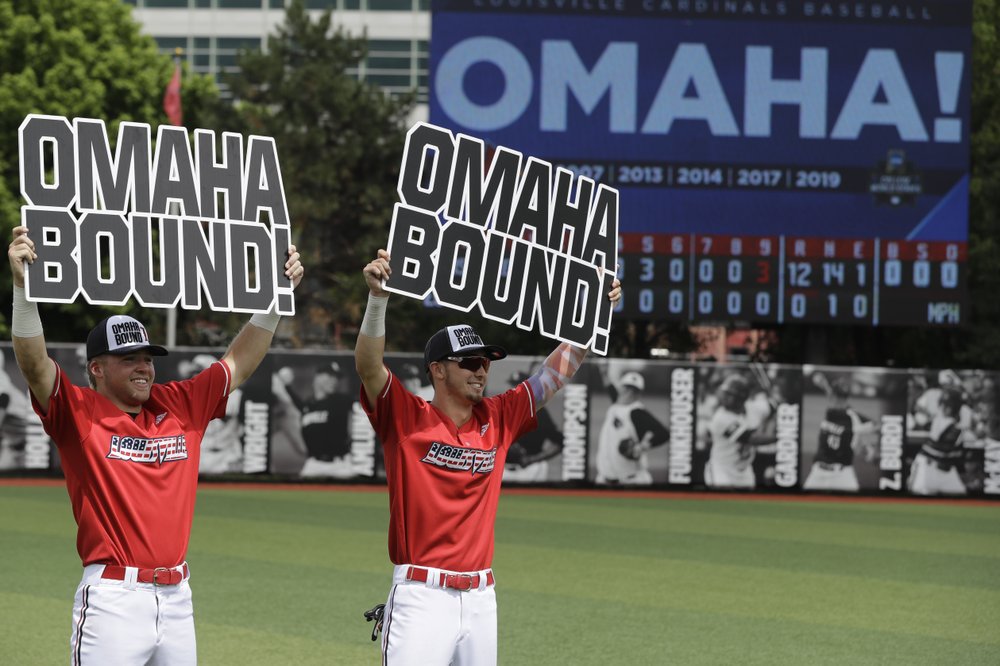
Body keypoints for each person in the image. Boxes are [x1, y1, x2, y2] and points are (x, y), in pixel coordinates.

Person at [7, 225, 303, 665]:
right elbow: (33, 364)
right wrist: (22, 288)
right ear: (97, 370)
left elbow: (238, 363)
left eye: (147, 357)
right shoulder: (79, 413)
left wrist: (277, 297)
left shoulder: (180, 404)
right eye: (129, 360)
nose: (144, 367)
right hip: (113, 599)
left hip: (178, 597)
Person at [355, 248, 619, 665]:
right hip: (423, 596)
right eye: (471, 362)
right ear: (438, 370)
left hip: (481, 598)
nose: (482, 370)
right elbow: (369, 367)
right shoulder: (406, 418)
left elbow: (553, 375)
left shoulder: (499, 416)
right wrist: (377, 299)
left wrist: (593, 317)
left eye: (487, 362)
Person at [273, 360, 355, 478]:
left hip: (340, 465)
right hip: (314, 464)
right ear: (318, 377)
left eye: (336, 378)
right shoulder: (309, 405)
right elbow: (299, 404)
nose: (334, 381)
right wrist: (286, 386)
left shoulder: (341, 401)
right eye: (330, 376)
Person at [802, 373, 877, 492]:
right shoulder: (831, 412)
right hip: (818, 472)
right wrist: (823, 384)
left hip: (842, 474)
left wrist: (857, 431)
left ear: (844, 398)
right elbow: (828, 392)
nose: (835, 398)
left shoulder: (852, 416)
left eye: (839, 396)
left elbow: (876, 425)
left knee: (856, 508)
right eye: (835, 395)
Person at [595, 370, 670, 485]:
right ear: (621, 389)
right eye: (627, 388)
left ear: (638, 394)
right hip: (605, 480)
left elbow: (664, 433)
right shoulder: (617, 404)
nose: (629, 392)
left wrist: (642, 447)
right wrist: (604, 373)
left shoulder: (636, 412)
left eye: (634, 390)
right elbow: (611, 391)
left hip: (631, 481)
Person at [704, 373, 775, 489]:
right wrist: (781, 436)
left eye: (729, 394)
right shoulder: (720, 418)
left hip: (744, 470)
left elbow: (775, 405)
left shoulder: (754, 408)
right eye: (724, 393)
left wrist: (776, 400)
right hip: (721, 469)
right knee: (723, 504)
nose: (724, 397)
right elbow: (752, 439)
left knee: (747, 506)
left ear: (740, 398)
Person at [179, 354, 245, 475]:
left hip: (226, 455)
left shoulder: (232, 394)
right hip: (200, 455)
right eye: (194, 372)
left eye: (200, 371)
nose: (195, 376)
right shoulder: (186, 395)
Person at [503, 370, 564, 483]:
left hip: (530, 470)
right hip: (503, 469)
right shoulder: (503, 408)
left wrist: (532, 459)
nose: (514, 389)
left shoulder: (539, 413)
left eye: (517, 386)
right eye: (512, 385)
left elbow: (559, 443)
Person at [908, 386, 968, 495]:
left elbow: (958, 455)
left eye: (948, 405)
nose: (945, 408)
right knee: (915, 502)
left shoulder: (946, 421)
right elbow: (951, 434)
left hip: (947, 471)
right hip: (927, 468)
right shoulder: (947, 423)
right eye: (945, 405)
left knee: (963, 499)